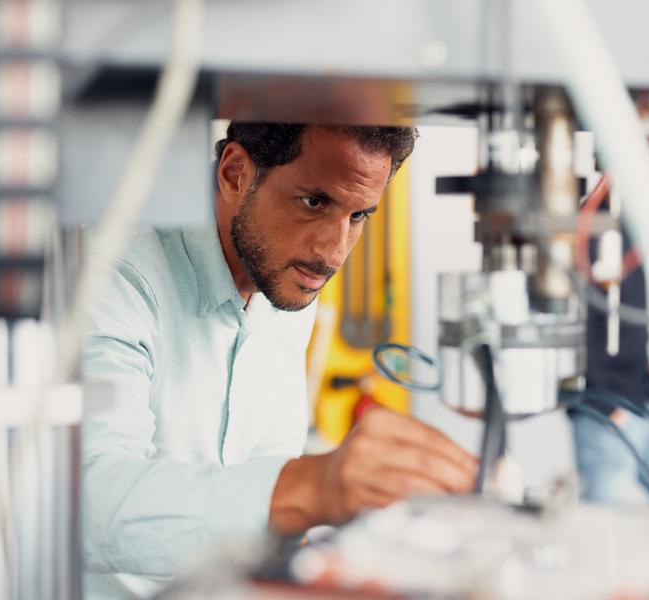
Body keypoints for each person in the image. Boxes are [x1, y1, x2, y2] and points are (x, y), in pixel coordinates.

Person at [82, 123, 478, 599]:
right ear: (235, 173)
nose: (333, 252)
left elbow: (268, 473)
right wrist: (314, 486)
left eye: (358, 216)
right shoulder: (113, 276)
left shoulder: (286, 282)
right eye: (315, 202)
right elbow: (90, 502)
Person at [569, 135, 649, 510]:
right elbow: (581, 319)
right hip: (608, 406)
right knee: (609, 513)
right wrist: (607, 400)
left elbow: (629, 312)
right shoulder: (592, 227)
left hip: (643, 396)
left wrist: (648, 375)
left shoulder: (630, 229)